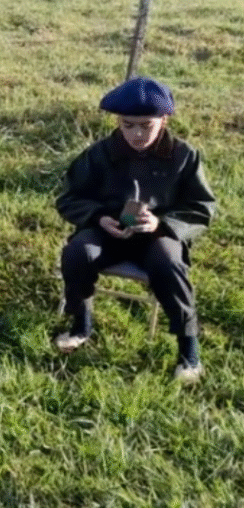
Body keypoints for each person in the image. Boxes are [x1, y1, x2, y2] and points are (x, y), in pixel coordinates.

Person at [55, 77, 215, 383]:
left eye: (146, 125)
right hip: (107, 231)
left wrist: (162, 224)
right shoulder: (100, 153)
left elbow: (201, 206)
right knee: (77, 253)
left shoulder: (183, 156)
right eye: (128, 125)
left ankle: (188, 348)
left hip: (157, 236)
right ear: (118, 121)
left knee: (169, 264)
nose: (137, 134)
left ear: (164, 120)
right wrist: (98, 217)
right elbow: (69, 197)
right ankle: (80, 325)